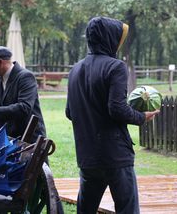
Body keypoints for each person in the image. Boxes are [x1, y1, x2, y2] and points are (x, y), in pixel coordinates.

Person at [65, 16, 160, 214]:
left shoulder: (75, 69)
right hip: (115, 155)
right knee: (127, 210)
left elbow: (69, 112)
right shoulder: (115, 66)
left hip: (87, 155)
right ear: (109, 38)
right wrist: (142, 117)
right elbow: (116, 109)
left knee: (85, 210)